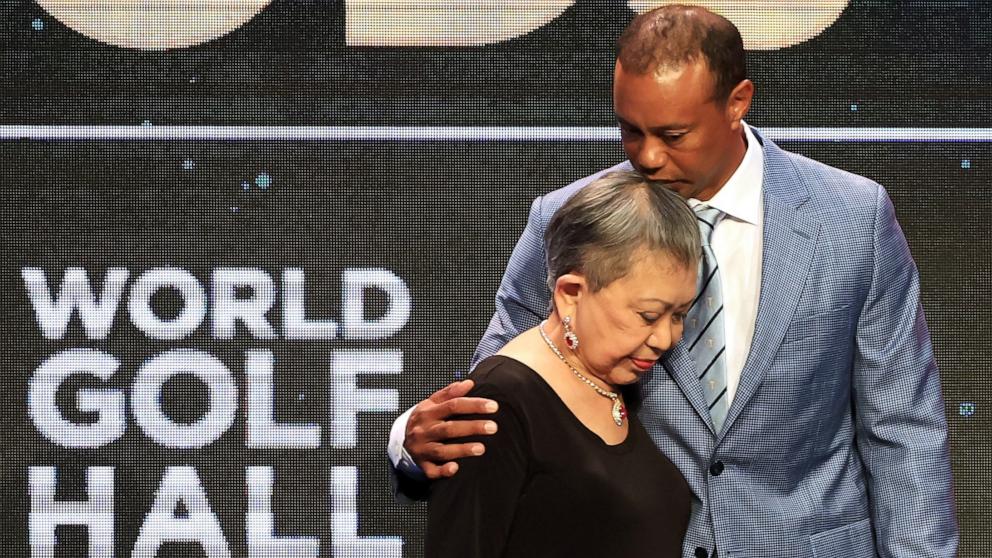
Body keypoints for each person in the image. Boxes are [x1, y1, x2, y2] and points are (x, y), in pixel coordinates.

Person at [390, 5, 959, 557]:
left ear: (737, 103)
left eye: (672, 133)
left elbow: (902, 428)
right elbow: (502, 391)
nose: (648, 156)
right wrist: (410, 441)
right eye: (630, 131)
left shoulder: (851, 219)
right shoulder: (572, 219)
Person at [426, 170, 700, 557]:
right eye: (648, 315)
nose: (665, 339)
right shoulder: (499, 403)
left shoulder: (621, 385)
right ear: (571, 293)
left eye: (679, 315)